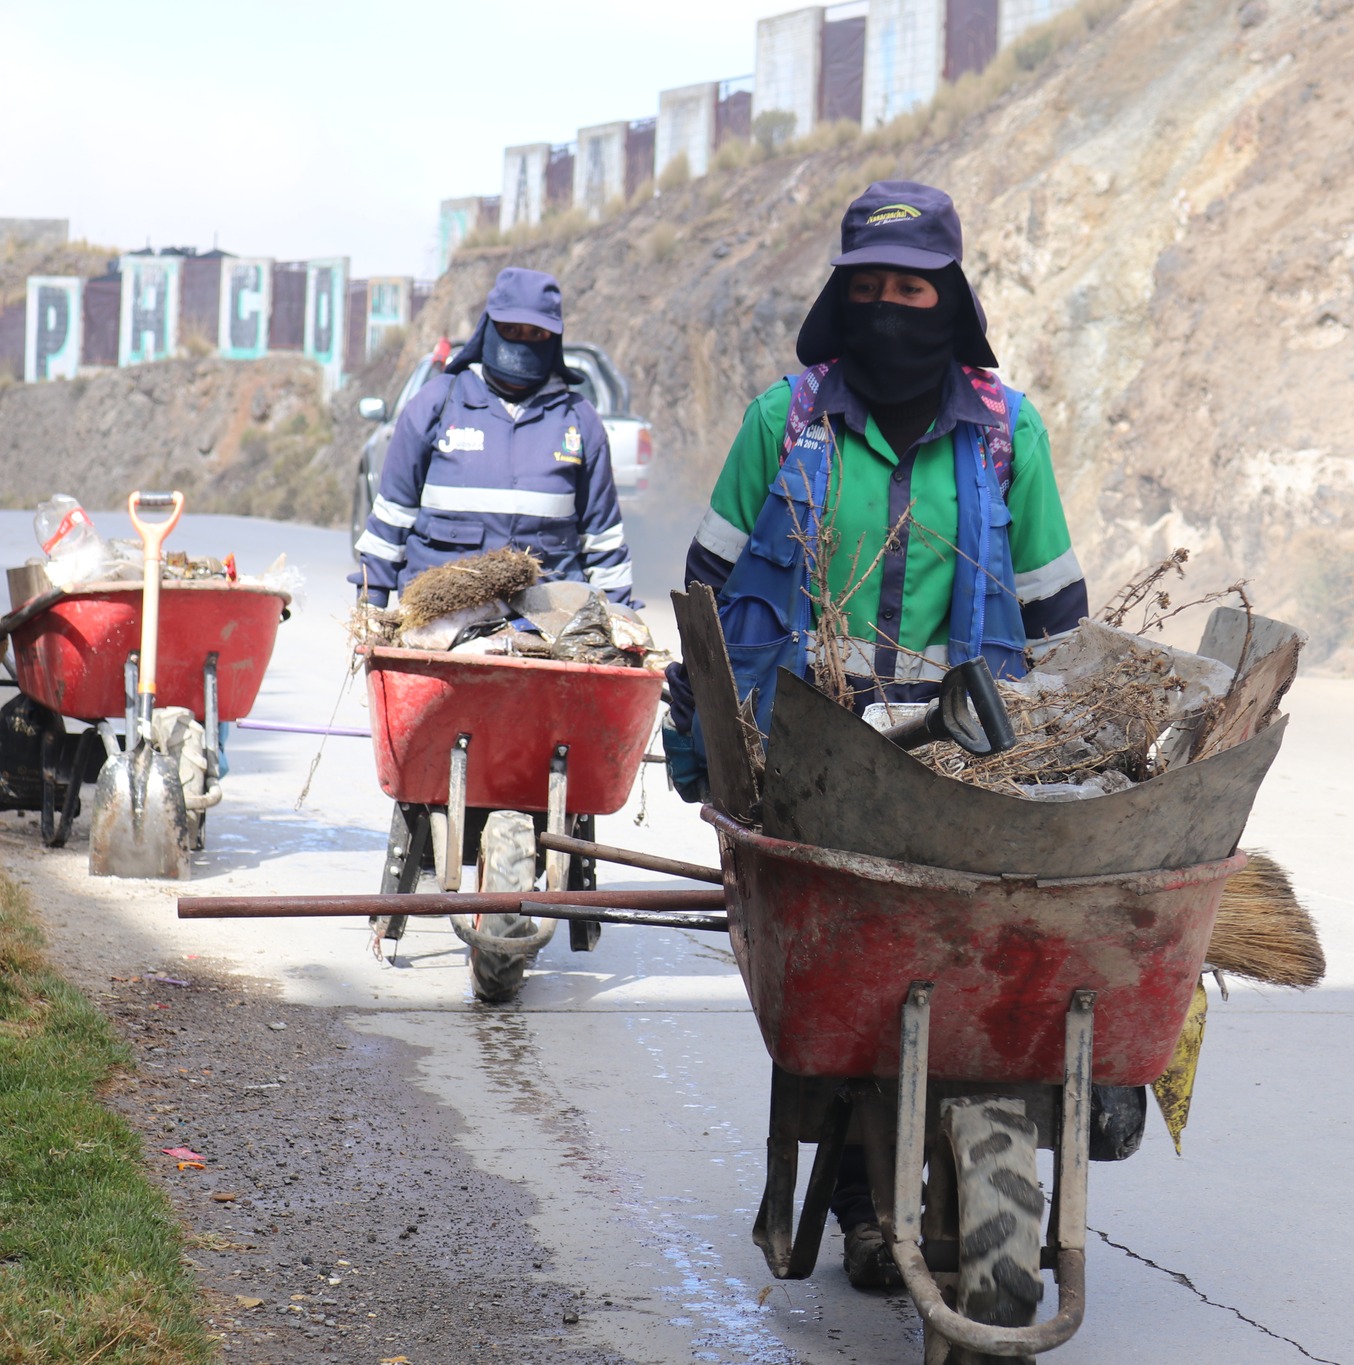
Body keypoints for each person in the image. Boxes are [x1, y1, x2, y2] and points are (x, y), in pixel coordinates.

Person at [662, 181, 1088, 1288]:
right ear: (840, 294)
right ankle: (857, 1193)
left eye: (912, 286)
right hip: (817, 757)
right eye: (869, 287)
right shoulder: (784, 420)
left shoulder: (1004, 430)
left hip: (968, 758)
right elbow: (707, 594)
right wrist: (708, 734)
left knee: (964, 959)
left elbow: (1055, 608)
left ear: (950, 297)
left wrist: (1080, 737)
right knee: (855, 970)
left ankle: (933, 1153)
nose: (889, 306)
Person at [351, 267, 634, 608]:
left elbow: (603, 540)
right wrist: (371, 605)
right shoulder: (437, 405)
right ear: (488, 327)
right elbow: (390, 520)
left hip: (551, 617)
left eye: (536, 333)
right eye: (511, 330)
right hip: (442, 614)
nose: (522, 341)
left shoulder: (578, 420)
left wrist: (620, 617)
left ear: (554, 339)